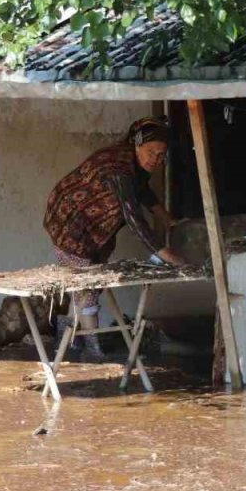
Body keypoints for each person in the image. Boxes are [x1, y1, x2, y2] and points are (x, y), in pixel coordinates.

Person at [42, 116, 187, 362]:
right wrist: (166, 254)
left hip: (97, 232)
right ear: (136, 144)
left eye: (161, 154)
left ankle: (69, 341)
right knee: (86, 285)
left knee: (85, 285)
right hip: (71, 226)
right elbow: (132, 216)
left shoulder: (135, 165)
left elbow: (143, 191)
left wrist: (166, 219)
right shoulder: (117, 167)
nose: (155, 158)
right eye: (150, 151)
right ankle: (91, 348)